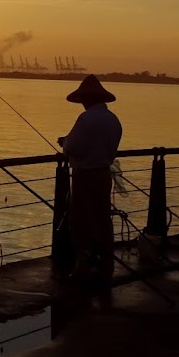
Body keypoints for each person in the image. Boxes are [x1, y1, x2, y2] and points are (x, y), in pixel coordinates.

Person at [58, 74, 122, 283]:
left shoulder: (86, 119)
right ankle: (106, 263)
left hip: (85, 175)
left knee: (80, 220)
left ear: (85, 99)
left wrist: (65, 142)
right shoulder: (113, 119)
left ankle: (82, 266)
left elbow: (73, 147)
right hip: (104, 174)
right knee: (103, 219)